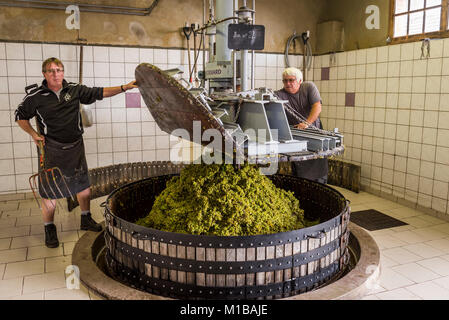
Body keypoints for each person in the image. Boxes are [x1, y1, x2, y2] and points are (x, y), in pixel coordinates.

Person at [15, 57, 138, 248]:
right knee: (50, 192)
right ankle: (49, 228)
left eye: (58, 70)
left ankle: (85, 218)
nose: (55, 73)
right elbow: (20, 116)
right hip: (51, 149)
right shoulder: (35, 97)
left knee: (83, 185)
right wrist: (33, 134)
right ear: (44, 74)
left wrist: (124, 87)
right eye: (50, 70)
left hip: (76, 146)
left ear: (63, 72)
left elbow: (100, 92)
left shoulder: (74, 89)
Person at [275, 67, 328, 184]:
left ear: (300, 81)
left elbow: (317, 106)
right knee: (299, 165)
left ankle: (320, 186)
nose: (287, 83)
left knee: (318, 162)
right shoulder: (279, 95)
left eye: (291, 80)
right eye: (285, 81)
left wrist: (307, 123)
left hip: (314, 132)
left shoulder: (308, 87)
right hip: (296, 135)